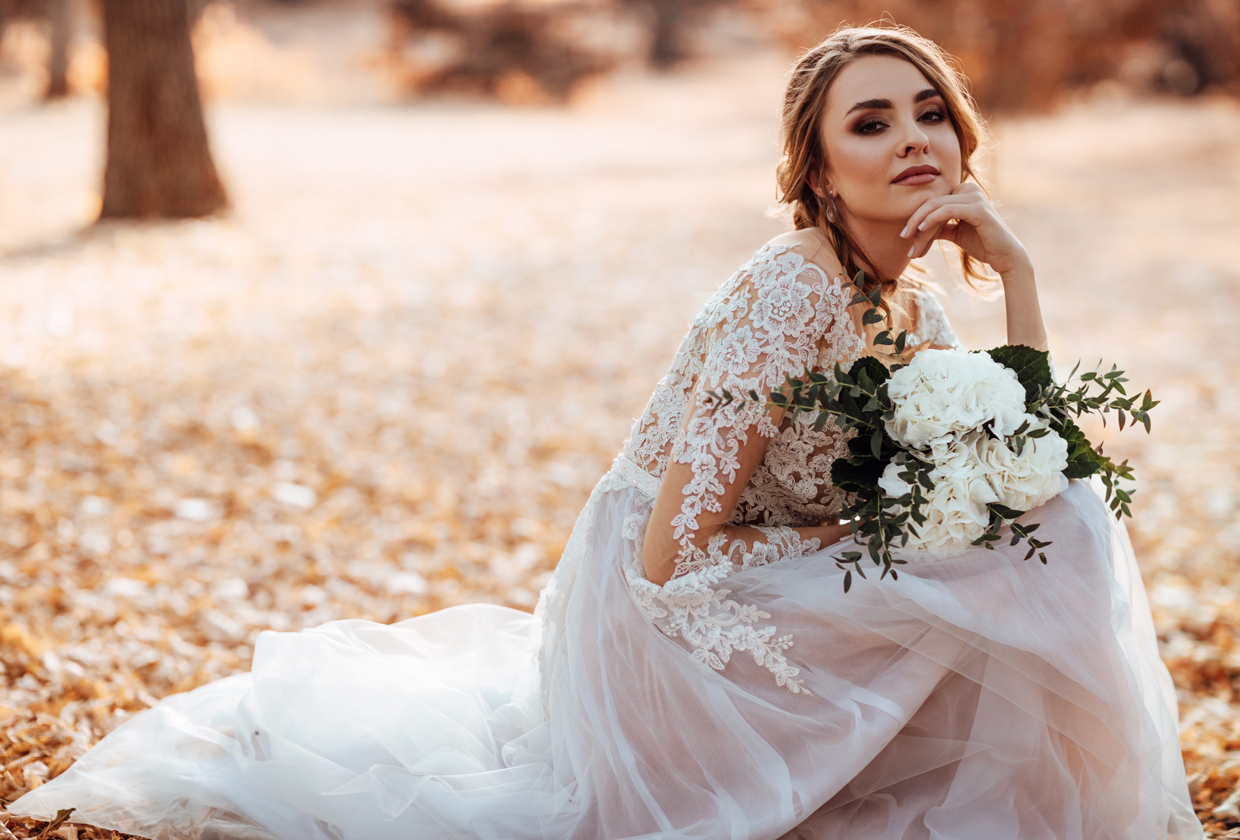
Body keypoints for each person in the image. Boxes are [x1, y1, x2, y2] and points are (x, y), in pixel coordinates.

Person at [11, 25, 1202, 840]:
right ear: (821, 173)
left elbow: (1029, 456)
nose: (911, 141)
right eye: (870, 123)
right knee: (1020, 542)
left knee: (1056, 511)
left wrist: (1022, 276)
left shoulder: (919, 303)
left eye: (930, 113)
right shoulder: (786, 293)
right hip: (658, 621)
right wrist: (865, 574)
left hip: (779, 571)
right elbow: (668, 557)